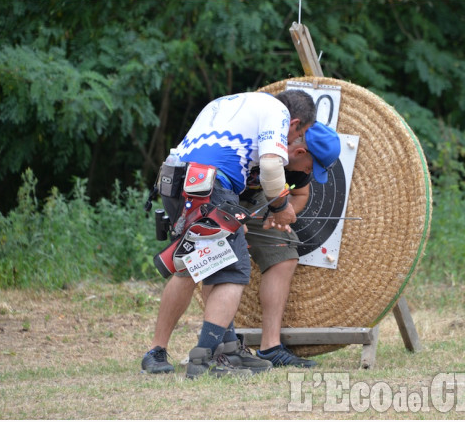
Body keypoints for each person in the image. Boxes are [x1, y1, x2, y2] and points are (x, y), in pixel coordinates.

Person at [140, 90, 340, 378]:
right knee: (231, 270)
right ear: (295, 123)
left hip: (178, 180)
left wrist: (237, 211)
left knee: (198, 263)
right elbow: (271, 166)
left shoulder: (230, 103)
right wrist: (281, 207)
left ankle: (203, 351)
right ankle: (205, 359)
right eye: (302, 132)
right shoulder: (277, 112)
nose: (294, 140)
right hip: (208, 185)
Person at [240, 121, 340, 368]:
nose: (309, 172)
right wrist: (230, 220)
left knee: (284, 252)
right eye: (311, 167)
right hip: (220, 191)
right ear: (300, 153)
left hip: (257, 199)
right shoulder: (257, 146)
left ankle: (270, 347)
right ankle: (215, 345)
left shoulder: (299, 167)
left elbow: (300, 194)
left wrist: (280, 215)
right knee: (221, 253)